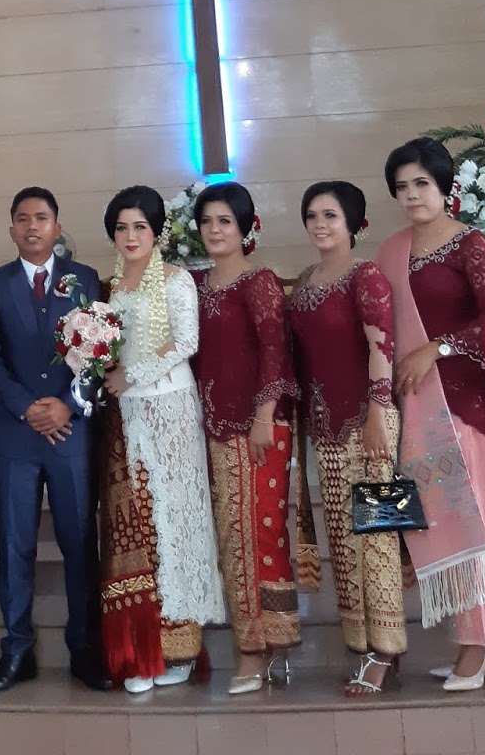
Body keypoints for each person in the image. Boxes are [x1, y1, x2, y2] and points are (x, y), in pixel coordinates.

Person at [377, 137, 485, 692]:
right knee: (432, 520)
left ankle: (481, 644)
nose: (412, 195)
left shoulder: (470, 244)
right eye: (402, 187)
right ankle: (468, 640)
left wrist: (437, 348)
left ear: (444, 186)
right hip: (409, 405)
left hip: (462, 404)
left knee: (470, 518)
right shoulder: (391, 251)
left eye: (422, 184)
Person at [0, 186, 109, 693]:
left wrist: (67, 405)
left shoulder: (85, 279)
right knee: (15, 545)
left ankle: (84, 647)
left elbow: (99, 353)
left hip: (70, 432)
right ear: (12, 229)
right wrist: (26, 406)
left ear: (57, 227)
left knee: (79, 542)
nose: (33, 226)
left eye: (42, 217)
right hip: (16, 433)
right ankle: (16, 650)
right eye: (23, 218)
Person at [98, 185, 225, 695]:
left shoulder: (176, 279)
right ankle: (145, 647)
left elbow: (186, 342)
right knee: (143, 524)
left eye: (140, 227)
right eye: (121, 228)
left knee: (175, 521)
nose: (130, 236)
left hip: (169, 408)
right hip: (126, 414)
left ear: (158, 232)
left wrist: (132, 375)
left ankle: (181, 651)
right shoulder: (112, 286)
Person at [289, 181, 406, 695]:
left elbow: (382, 346)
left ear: (353, 222)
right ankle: (362, 644)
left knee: (378, 540)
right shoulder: (306, 282)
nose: (319, 224)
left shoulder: (367, 276)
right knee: (343, 543)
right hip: (328, 431)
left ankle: (385, 650)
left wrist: (379, 409)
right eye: (312, 215)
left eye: (330, 215)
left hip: (371, 424)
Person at [193, 181, 301, 696]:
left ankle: (258, 650)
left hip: (258, 426)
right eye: (207, 221)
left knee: (259, 535)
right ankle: (257, 644)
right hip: (214, 428)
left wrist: (263, 415)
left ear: (245, 228)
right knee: (231, 540)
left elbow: (274, 350)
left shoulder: (259, 282)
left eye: (225, 221)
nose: (215, 230)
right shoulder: (196, 285)